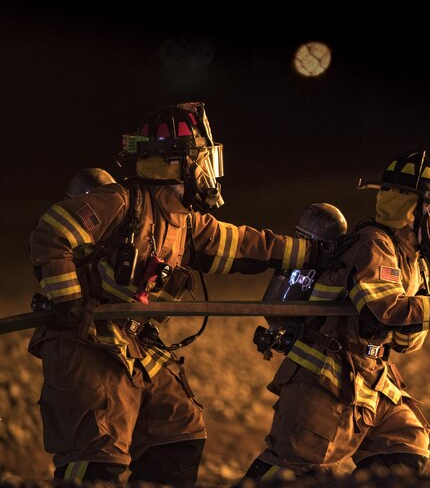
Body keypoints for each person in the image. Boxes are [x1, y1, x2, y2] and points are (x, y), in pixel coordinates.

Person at [28, 102, 320, 487]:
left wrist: (312, 253)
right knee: (97, 458)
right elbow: (52, 233)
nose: (210, 171)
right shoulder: (120, 202)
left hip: (133, 343)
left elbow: (242, 244)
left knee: (179, 434)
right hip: (87, 343)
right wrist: (68, 300)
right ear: (182, 163)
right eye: (205, 160)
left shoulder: (184, 220)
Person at [242, 150, 430, 482]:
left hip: (370, 381)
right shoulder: (374, 246)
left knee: (405, 441)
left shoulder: (412, 261)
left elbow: (405, 341)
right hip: (325, 382)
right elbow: (384, 312)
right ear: (414, 211)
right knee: (290, 469)